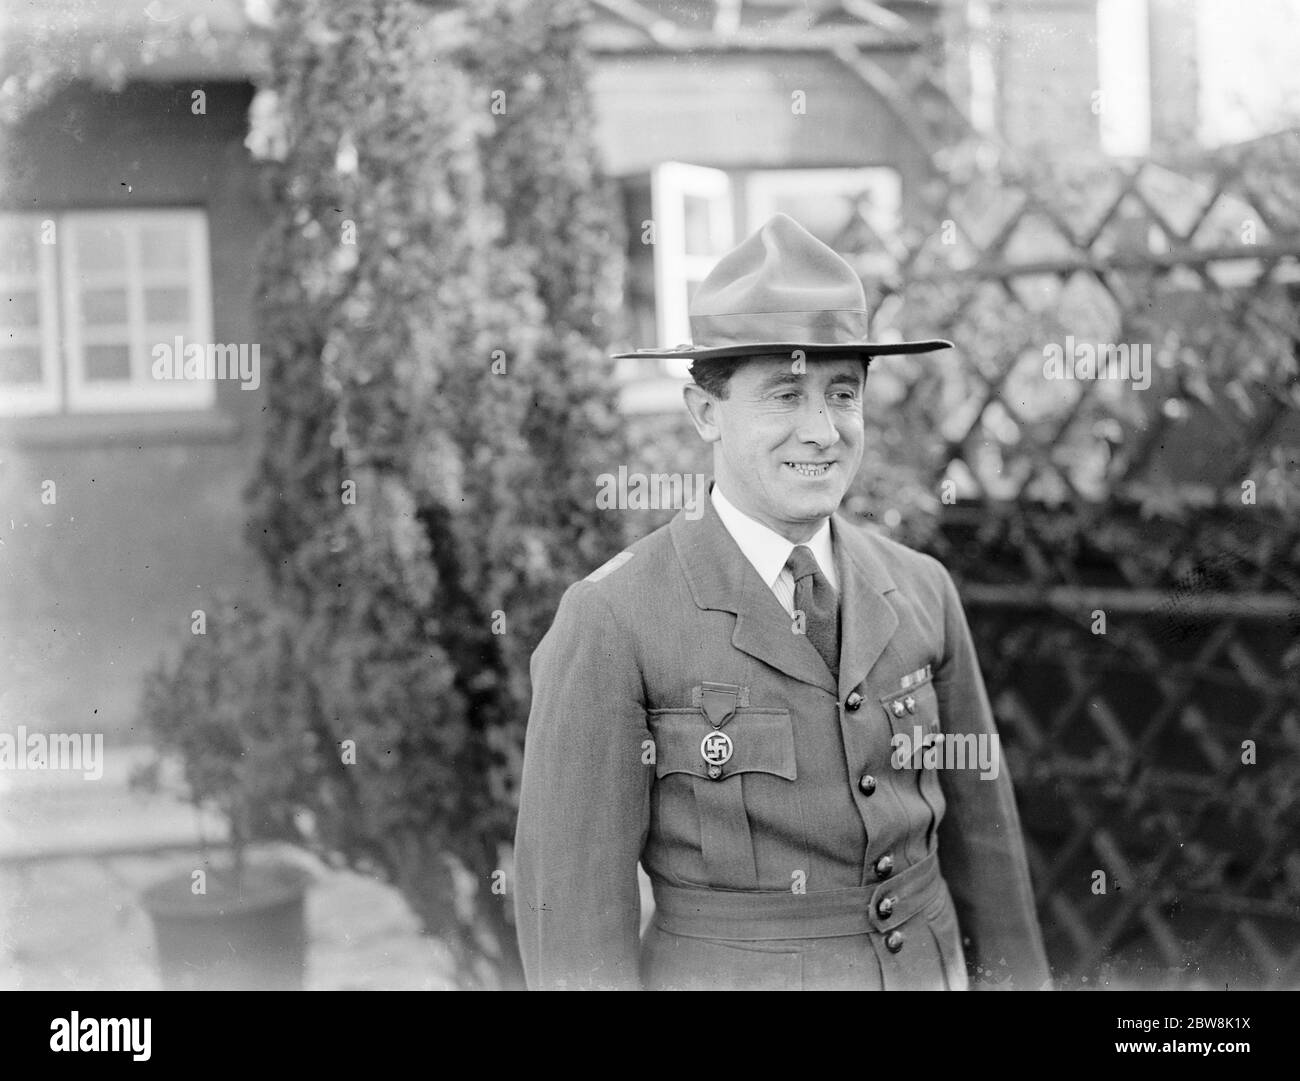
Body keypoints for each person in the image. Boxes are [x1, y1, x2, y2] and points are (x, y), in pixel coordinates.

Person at [513, 213, 1050, 991]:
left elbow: (989, 852)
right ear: (706, 413)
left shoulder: (922, 588)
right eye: (785, 395)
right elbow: (572, 932)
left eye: (843, 393)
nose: (822, 430)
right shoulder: (614, 619)